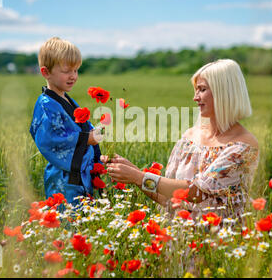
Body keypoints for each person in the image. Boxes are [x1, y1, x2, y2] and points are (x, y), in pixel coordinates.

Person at [103, 59, 259, 224]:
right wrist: (131, 171)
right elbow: (167, 197)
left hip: (216, 243)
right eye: (196, 90)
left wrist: (138, 176)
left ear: (224, 93)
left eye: (202, 90)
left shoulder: (243, 146)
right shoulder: (189, 137)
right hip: (178, 242)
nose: (195, 97)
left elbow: (196, 193)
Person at [29, 37, 102, 205]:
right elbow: (51, 140)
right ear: (46, 72)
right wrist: (86, 139)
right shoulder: (46, 105)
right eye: (66, 71)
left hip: (79, 175)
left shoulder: (67, 100)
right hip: (64, 180)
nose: (73, 76)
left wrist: (97, 154)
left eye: (76, 70)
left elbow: (81, 128)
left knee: (83, 221)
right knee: (66, 223)